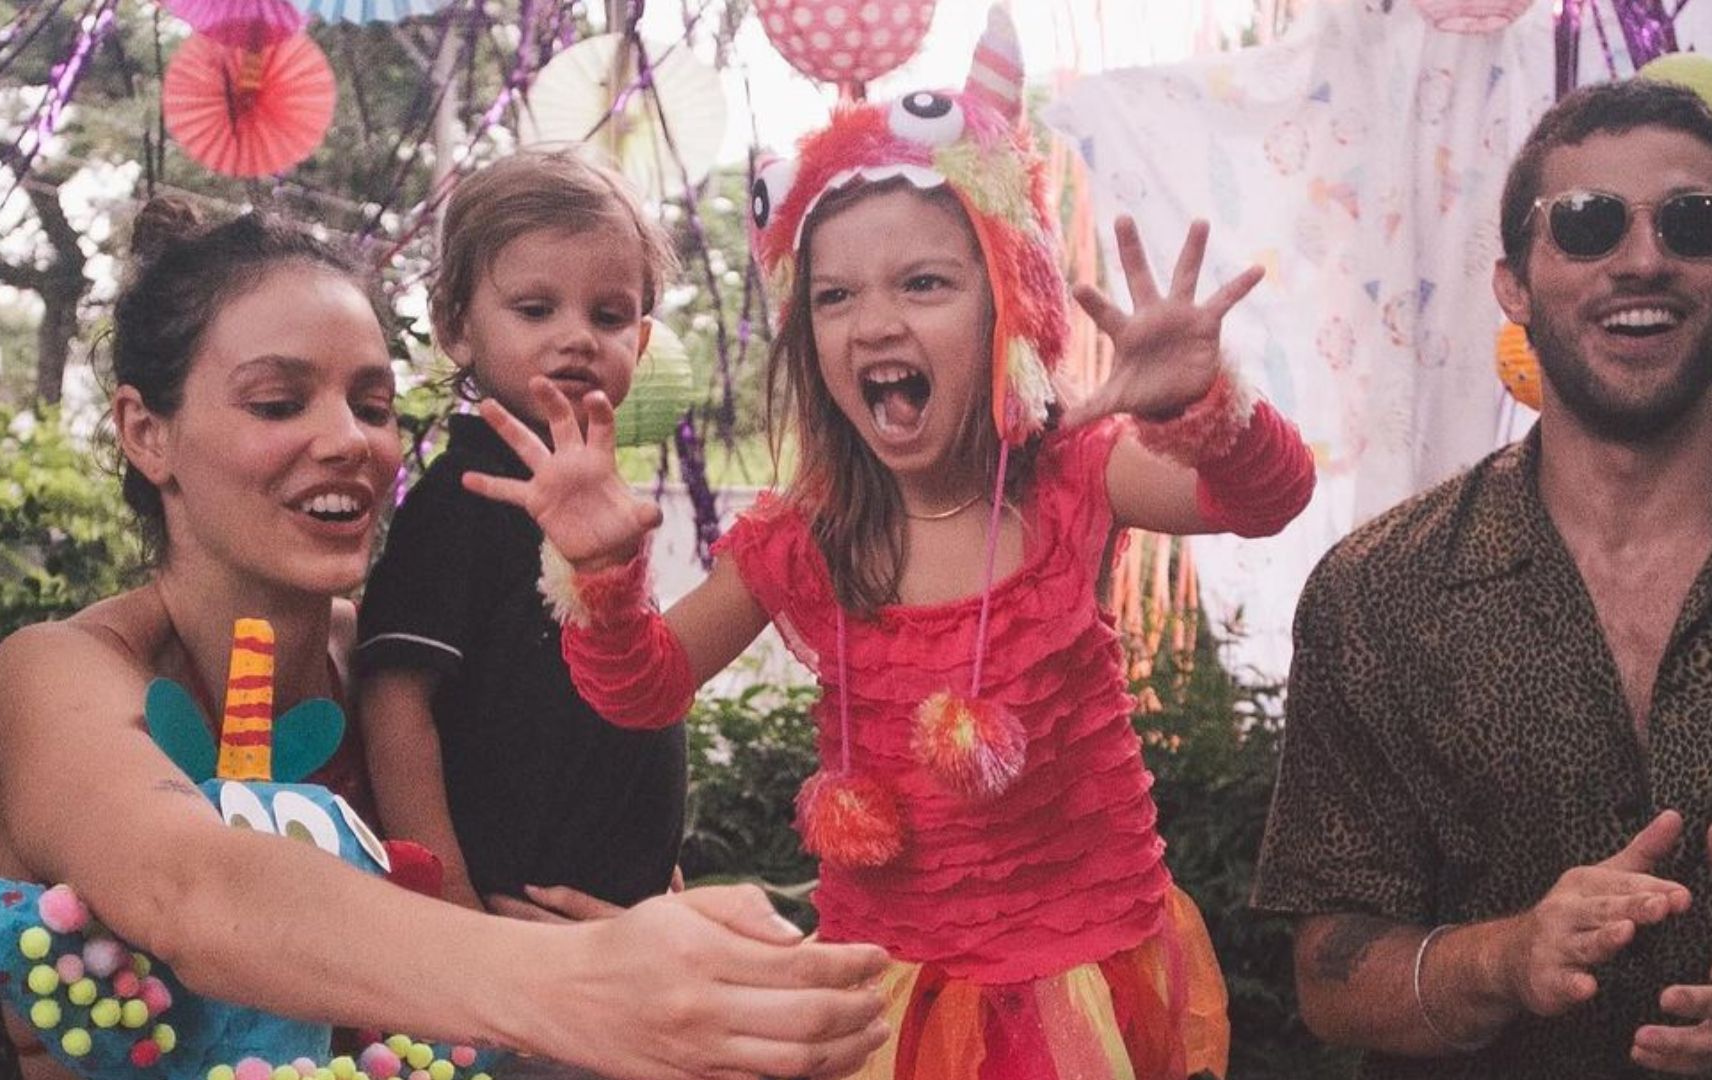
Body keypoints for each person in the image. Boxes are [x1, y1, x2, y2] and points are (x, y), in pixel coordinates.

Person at [461, 14, 1316, 1076]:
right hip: (896, 996)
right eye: (835, 297)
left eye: (924, 284)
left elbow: (1267, 498)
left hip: (1088, 975)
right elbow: (646, 690)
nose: (874, 325)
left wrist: (1203, 408)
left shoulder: (1072, 477)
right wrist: (598, 573)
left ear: (1009, 308)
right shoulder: (800, 539)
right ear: (807, 342)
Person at [0, 197, 889, 1080]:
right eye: (276, 402)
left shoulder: (396, 666)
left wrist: (642, 918)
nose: (348, 440)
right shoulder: (58, 674)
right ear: (147, 432)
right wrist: (578, 984)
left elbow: (572, 792)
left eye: (373, 405)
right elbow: (193, 888)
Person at [1252, 79, 1712, 1079]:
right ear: (1513, 281)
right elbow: (1331, 979)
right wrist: (1503, 960)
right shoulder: (1380, 595)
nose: (1643, 259)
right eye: (1588, 224)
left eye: (1693, 222)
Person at [356, 151, 687, 917]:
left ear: (638, 342)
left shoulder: (609, 508)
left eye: (606, 317)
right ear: (456, 328)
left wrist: (660, 863)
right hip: (511, 919)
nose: (576, 338)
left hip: (618, 920)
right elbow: (395, 701)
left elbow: (628, 712)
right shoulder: (464, 497)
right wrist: (452, 903)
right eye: (536, 310)